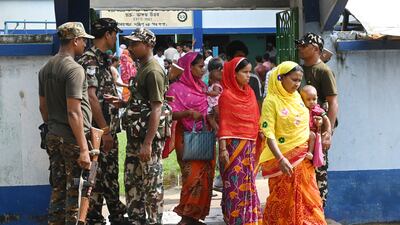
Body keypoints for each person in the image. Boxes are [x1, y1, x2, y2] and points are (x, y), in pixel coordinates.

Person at [38, 22, 93, 225]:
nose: (85, 45)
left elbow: (43, 107)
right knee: (76, 194)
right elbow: (73, 112)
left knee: (58, 191)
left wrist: (54, 127)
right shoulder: (74, 69)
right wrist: (84, 149)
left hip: (53, 137)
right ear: (75, 40)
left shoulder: (46, 68)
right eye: (84, 40)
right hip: (72, 140)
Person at [259, 61, 327, 225]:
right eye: (294, 80)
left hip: (303, 160)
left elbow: (304, 121)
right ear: (281, 78)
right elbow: (269, 133)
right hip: (282, 161)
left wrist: (318, 122)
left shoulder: (297, 97)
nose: (297, 84)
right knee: (282, 202)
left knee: (309, 202)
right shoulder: (271, 101)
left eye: (299, 80)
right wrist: (281, 159)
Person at [77, 18, 127, 225]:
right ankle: (96, 216)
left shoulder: (103, 59)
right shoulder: (90, 60)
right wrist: (104, 131)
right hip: (98, 131)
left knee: (107, 172)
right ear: (107, 34)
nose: (116, 38)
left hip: (105, 129)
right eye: (115, 33)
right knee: (97, 174)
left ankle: (110, 213)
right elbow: (91, 97)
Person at [123, 27, 167, 225]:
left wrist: (148, 143)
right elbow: (142, 101)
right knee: (133, 183)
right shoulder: (142, 67)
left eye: (135, 43)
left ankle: (154, 220)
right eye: (130, 43)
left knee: (151, 185)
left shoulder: (154, 71)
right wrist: (123, 103)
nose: (130, 47)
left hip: (146, 139)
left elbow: (157, 108)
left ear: (148, 45)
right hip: (135, 137)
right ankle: (136, 219)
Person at [166, 52, 215, 225]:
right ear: (189, 67)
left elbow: (205, 106)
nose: (203, 70)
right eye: (200, 66)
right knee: (191, 177)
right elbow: (169, 114)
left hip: (204, 134)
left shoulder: (202, 86)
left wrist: (211, 95)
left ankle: (194, 216)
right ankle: (186, 216)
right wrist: (187, 113)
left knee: (206, 176)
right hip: (185, 135)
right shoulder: (176, 89)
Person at [218, 57, 263, 224]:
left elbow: (255, 117)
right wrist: (222, 149)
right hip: (232, 146)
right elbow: (224, 123)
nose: (248, 75)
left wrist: (260, 133)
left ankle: (249, 218)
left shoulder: (250, 92)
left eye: (250, 72)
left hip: (249, 144)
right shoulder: (226, 96)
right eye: (244, 72)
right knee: (233, 184)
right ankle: (234, 218)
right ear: (234, 74)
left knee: (248, 181)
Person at [296, 32, 338, 207]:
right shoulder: (297, 69)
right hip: (299, 130)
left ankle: (318, 212)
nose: (300, 48)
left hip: (317, 130)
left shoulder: (323, 71)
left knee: (319, 171)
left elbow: (333, 102)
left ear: (315, 49)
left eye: (304, 45)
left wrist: (328, 133)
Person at [300, 85, 331, 161]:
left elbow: (327, 120)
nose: (312, 102)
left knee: (312, 135)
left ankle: (311, 153)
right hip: (302, 132)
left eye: (314, 99)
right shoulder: (300, 109)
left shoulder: (318, 110)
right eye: (308, 99)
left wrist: (328, 131)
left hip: (313, 132)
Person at [206, 66, 223, 131]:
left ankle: (218, 130)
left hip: (215, 103)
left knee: (215, 116)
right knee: (210, 117)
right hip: (212, 104)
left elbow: (216, 93)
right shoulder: (214, 85)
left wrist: (207, 93)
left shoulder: (216, 85)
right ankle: (216, 129)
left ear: (210, 79)